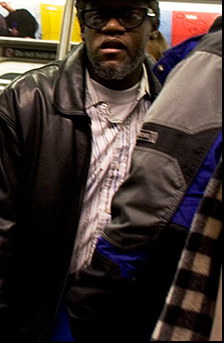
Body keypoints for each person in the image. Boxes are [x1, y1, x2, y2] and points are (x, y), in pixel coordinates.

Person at [0, 0, 163, 340]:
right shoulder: (26, 104)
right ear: (82, 24)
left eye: (128, 14)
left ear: (152, 23)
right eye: (98, 15)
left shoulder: (172, 114)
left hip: (133, 313)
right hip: (43, 309)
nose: (112, 26)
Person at [67, 24, 221, 341]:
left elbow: (154, 192)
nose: (113, 28)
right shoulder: (32, 97)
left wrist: (101, 281)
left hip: (163, 266)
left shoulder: (204, 65)